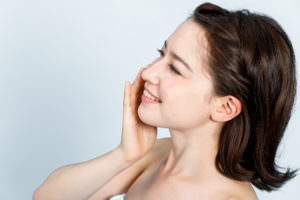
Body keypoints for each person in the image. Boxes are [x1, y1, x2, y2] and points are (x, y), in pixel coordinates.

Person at [33, 2, 298, 200]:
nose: (148, 73)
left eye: (175, 69)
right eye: (162, 54)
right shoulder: (159, 153)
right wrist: (123, 155)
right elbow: (45, 197)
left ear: (224, 107)